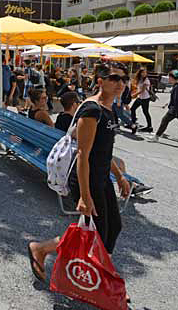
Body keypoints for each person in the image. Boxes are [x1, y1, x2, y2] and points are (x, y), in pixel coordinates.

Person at [28, 62, 131, 284]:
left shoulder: (110, 110)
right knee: (97, 232)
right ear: (100, 81)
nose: (120, 84)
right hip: (86, 180)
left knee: (112, 228)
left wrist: (120, 176)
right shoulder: (92, 110)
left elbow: (104, 151)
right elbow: (83, 155)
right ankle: (103, 279)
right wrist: (84, 196)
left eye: (124, 79)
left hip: (102, 177)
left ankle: (43, 249)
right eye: (114, 78)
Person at [149, 70, 178, 146]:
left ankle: (156, 137)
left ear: (172, 78)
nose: (168, 79)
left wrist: (173, 109)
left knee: (167, 121)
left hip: (177, 110)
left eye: (169, 77)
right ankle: (157, 136)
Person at [130, 68, 153, 133]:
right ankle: (133, 123)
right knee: (133, 109)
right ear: (140, 73)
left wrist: (134, 95)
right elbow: (138, 88)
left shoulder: (146, 80)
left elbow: (142, 90)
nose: (144, 74)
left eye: (145, 72)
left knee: (145, 112)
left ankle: (149, 127)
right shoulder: (140, 80)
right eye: (143, 72)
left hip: (145, 99)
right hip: (140, 98)